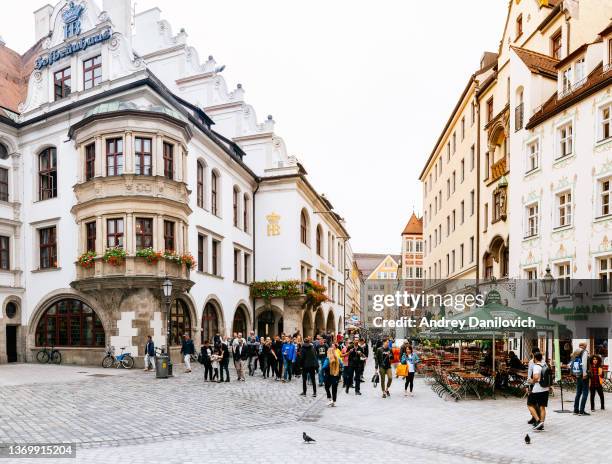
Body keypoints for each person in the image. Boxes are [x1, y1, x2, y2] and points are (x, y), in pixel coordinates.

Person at [527, 352, 549, 431]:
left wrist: (531, 381)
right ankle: (541, 423)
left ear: (535, 358)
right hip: (545, 389)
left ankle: (537, 420)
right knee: (542, 407)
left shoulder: (536, 366)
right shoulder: (545, 365)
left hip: (537, 389)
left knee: (530, 404)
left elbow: (536, 377)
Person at [572, 342, 590, 415]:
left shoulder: (576, 352)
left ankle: (576, 410)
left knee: (578, 393)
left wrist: (576, 373)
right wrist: (585, 374)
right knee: (585, 392)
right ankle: (582, 410)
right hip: (583, 374)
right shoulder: (584, 352)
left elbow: (572, 363)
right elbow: (584, 363)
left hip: (577, 374)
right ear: (585, 346)